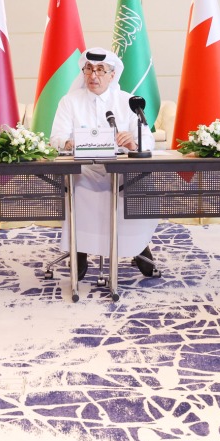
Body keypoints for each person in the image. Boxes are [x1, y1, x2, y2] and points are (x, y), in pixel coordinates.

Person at [50, 48, 155, 280]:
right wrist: (70, 142)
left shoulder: (127, 101)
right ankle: (80, 248)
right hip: (84, 168)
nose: (93, 75)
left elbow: (148, 139)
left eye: (100, 70)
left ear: (112, 74)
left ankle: (137, 246)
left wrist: (133, 141)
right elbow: (55, 138)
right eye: (88, 69)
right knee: (77, 184)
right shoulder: (70, 101)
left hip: (120, 168)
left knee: (138, 184)